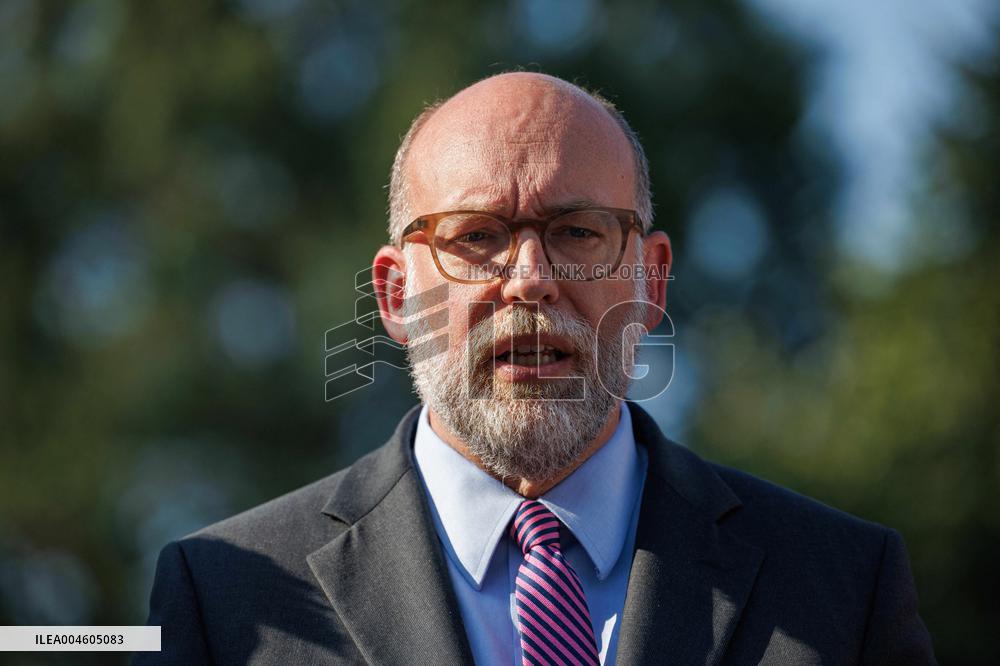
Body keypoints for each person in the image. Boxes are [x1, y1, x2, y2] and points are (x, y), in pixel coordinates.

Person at [137, 72, 936, 665]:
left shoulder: (843, 586)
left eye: (579, 232)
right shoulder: (220, 600)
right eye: (474, 235)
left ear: (651, 281)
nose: (528, 278)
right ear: (392, 294)